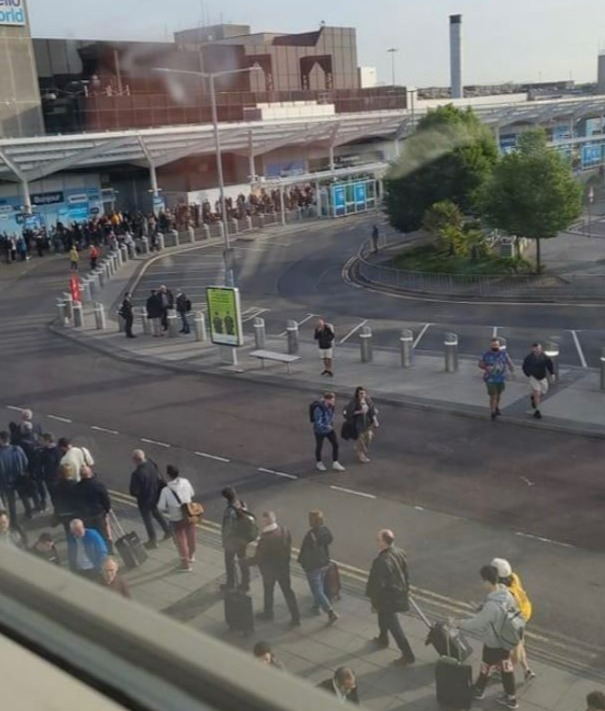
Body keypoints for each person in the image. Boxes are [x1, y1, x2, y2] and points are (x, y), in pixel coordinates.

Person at [451, 565, 520, 710]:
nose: (482, 583)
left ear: (488, 582)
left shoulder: (492, 606)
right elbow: (504, 612)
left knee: (486, 665)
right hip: (506, 639)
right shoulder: (506, 594)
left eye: (483, 580)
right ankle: (511, 697)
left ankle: (479, 690)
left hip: (493, 642)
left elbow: (476, 624)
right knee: (505, 666)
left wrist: (457, 623)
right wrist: (482, 607)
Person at [366, 529, 415, 666]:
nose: (376, 542)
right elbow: (406, 574)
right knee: (382, 616)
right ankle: (383, 638)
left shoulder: (381, 561)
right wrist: (407, 589)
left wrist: (374, 601)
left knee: (395, 627)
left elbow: (376, 584)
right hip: (397, 593)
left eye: (378, 540)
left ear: (384, 543)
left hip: (388, 598)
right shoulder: (399, 552)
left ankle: (408, 655)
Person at [246, 511, 301, 627]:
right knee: (288, 592)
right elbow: (288, 545)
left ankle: (268, 613)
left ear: (266, 521)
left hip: (269, 571)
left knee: (268, 591)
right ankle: (296, 617)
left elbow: (258, 558)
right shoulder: (284, 530)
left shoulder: (265, 539)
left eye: (263, 520)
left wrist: (244, 562)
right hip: (283, 568)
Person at [491, 558, 535, 681]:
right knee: (520, 644)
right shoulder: (514, 577)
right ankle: (527, 670)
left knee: (513, 652)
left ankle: (500, 671)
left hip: (514, 621)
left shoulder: (503, 592)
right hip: (524, 614)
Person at [297, 510, 338, 624]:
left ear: (312, 521)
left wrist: (302, 563)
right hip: (324, 563)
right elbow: (330, 540)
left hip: (313, 566)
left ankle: (330, 612)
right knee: (319, 584)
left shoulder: (310, 535)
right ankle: (316, 606)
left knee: (317, 589)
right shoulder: (325, 530)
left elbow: (305, 551)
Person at [157, 464, 197, 572]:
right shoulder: (186, 481)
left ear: (168, 475)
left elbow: (160, 507)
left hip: (176, 519)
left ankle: (186, 565)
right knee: (191, 536)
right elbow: (192, 493)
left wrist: (168, 514)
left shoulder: (165, 490)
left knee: (181, 541)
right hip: (189, 514)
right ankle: (192, 556)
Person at [129, 450, 170, 549]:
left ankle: (153, 540)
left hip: (144, 500)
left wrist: (139, 494)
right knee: (156, 513)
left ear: (135, 460)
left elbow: (133, 491)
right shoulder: (151, 463)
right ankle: (168, 531)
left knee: (148, 520)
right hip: (155, 494)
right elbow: (159, 476)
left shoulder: (137, 474)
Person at [220, 486, 251, 592]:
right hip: (243, 539)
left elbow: (228, 528)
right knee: (243, 560)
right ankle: (245, 584)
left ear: (226, 498)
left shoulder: (229, 511)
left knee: (229, 562)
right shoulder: (242, 503)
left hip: (233, 541)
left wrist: (224, 541)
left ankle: (231, 583)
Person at [0, 429, 33, 523]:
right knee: (24, 496)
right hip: (20, 478)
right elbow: (25, 461)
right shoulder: (17, 449)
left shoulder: (1, 454)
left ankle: (13, 520)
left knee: (11, 501)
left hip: (6, 481)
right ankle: (29, 513)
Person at [76, 465, 112, 549]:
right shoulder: (98, 485)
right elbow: (106, 499)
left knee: (89, 535)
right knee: (103, 534)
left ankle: (93, 551)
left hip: (85, 515)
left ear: (80, 475)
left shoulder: (77, 487)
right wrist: (106, 510)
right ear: (90, 473)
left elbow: (75, 502)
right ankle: (108, 551)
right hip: (98, 514)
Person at [479, 338, 515, 421]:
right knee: (493, 396)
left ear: (499, 345)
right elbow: (480, 364)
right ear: (490, 345)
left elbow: (509, 362)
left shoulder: (503, 354)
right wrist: (486, 367)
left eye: (496, 345)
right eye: (493, 345)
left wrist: (512, 370)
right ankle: (493, 412)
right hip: (490, 379)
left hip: (501, 378)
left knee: (498, 395)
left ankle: (496, 406)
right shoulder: (486, 354)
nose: (494, 346)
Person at [343, 386, 379, 463]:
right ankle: (361, 455)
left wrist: (375, 421)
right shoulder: (354, 402)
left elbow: (372, 411)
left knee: (368, 437)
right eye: (360, 393)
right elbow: (348, 413)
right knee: (361, 440)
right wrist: (360, 411)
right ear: (357, 394)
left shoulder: (368, 400)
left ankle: (360, 448)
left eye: (364, 393)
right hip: (357, 424)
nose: (362, 395)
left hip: (367, 423)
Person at [312, 393, 346, 472]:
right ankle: (319, 463)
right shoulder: (318, 408)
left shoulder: (331, 406)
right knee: (319, 446)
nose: (334, 401)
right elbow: (318, 422)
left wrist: (330, 423)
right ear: (327, 400)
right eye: (332, 400)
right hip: (320, 431)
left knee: (335, 444)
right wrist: (326, 426)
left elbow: (331, 416)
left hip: (329, 429)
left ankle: (335, 462)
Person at [522, 343, 555, 420]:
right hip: (533, 377)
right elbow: (524, 367)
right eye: (536, 348)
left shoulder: (544, 357)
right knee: (537, 392)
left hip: (542, 377)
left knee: (543, 391)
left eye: (539, 348)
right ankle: (537, 410)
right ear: (532, 349)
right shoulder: (529, 358)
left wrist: (552, 374)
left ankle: (533, 398)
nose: (538, 350)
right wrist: (529, 374)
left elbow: (549, 365)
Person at [53, 463, 79, 534]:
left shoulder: (56, 486)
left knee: (68, 531)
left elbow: (55, 501)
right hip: (75, 511)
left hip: (64, 512)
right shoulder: (76, 484)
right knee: (78, 529)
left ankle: (72, 543)